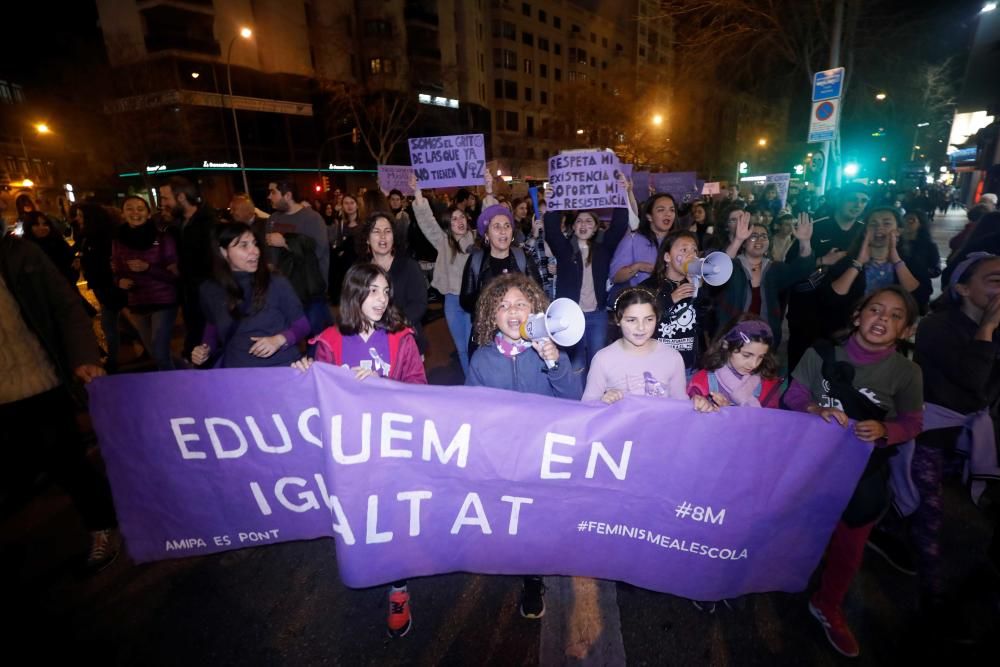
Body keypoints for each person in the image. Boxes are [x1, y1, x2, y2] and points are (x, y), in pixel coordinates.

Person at [783, 286, 923, 658]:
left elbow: (912, 422)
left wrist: (885, 431)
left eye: (895, 316)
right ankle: (778, 577)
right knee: (795, 529)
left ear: (907, 329)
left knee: (850, 546)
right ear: (857, 315)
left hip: (863, 474)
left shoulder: (907, 373)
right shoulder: (821, 353)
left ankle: (828, 604)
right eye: (876, 310)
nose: (883, 319)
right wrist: (814, 409)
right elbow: (793, 396)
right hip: (811, 465)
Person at [293, 263, 425, 637]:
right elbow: (315, 401)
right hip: (350, 453)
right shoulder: (329, 342)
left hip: (393, 448)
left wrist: (384, 385)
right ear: (354, 293)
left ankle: (398, 590)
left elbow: (420, 387)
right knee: (361, 518)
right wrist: (305, 372)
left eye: (385, 291)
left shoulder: (402, 338)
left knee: (395, 518)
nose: (381, 299)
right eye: (372, 291)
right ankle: (365, 565)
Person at [0, 233, 119, 572]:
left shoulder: (18, 253)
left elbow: (65, 305)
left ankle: (102, 524)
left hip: (41, 380)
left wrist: (83, 355)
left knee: (67, 461)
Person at [466, 272, 582, 620]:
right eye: (502, 306)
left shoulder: (548, 352)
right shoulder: (482, 360)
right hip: (502, 458)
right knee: (509, 516)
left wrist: (554, 362)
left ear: (535, 310)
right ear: (491, 315)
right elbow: (470, 412)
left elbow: (572, 399)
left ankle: (533, 578)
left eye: (520, 304)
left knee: (535, 519)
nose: (512, 311)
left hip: (540, 456)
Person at [909, 253, 1000, 628]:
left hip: (973, 433)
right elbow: (973, 380)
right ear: (962, 288)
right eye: (993, 280)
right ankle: (934, 596)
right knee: (930, 513)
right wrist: (988, 329)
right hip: (931, 430)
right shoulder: (936, 327)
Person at [191, 223, 308, 369]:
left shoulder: (276, 282)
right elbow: (213, 326)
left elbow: (302, 325)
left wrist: (279, 340)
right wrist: (205, 349)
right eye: (244, 245)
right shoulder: (210, 290)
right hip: (236, 371)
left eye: (255, 244)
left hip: (280, 367)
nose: (255, 251)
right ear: (223, 251)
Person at [785, 184, 869, 372]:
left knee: (834, 370)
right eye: (853, 199)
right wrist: (821, 260)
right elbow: (790, 267)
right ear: (840, 199)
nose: (858, 204)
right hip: (808, 312)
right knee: (800, 366)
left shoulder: (865, 232)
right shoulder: (816, 226)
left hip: (845, 314)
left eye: (863, 201)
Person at [544, 201, 630, 374]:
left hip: (597, 316)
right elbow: (552, 230)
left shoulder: (603, 249)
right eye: (579, 221)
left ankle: (594, 399)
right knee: (576, 366)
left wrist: (621, 196)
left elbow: (619, 226)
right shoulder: (565, 250)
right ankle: (576, 400)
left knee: (597, 364)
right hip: (570, 317)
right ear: (573, 226)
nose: (583, 225)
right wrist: (553, 203)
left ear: (596, 227)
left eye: (589, 221)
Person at [582, 287, 702, 407]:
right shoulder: (603, 359)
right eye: (632, 320)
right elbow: (587, 406)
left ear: (657, 318)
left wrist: (696, 404)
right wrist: (603, 401)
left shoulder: (672, 357)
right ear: (618, 320)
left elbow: (681, 404)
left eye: (649, 319)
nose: (641, 327)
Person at [714, 212, 814, 349]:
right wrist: (737, 240)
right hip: (731, 338)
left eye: (764, 236)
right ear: (744, 243)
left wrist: (805, 241)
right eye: (753, 237)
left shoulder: (774, 269)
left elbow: (802, 270)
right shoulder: (734, 266)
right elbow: (718, 270)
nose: (759, 240)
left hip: (764, 340)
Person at [411, 177, 476, 377]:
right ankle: (471, 385)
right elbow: (427, 223)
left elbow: (492, 221)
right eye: (454, 219)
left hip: (474, 301)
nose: (459, 222)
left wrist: (489, 191)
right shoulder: (443, 243)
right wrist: (418, 193)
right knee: (462, 348)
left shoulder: (478, 240)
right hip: (452, 302)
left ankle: (480, 384)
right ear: (448, 224)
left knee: (475, 346)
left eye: (461, 217)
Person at [460, 204, 541, 356]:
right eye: (496, 226)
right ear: (486, 234)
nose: (503, 231)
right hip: (485, 336)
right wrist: (492, 299)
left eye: (507, 226)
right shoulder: (476, 260)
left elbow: (538, 295)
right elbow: (465, 301)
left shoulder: (523, 257)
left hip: (521, 333)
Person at [111, 196, 179, 370]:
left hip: (163, 301)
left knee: (159, 351)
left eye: (140, 209)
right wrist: (120, 281)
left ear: (148, 214)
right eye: (130, 208)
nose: (135, 213)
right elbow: (117, 271)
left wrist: (148, 268)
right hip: (138, 302)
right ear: (123, 213)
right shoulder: (118, 240)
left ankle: (177, 390)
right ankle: (187, 372)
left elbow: (175, 275)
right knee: (156, 353)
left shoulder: (163, 238)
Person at [825, 207, 921, 331]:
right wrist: (858, 263)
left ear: (898, 231)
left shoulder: (911, 261)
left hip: (892, 332)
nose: (879, 228)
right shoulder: (847, 260)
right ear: (865, 231)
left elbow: (919, 298)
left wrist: (896, 260)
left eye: (886, 223)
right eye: (873, 224)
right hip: (850, 331)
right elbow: (831, 299)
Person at [159, 177, 218, 359]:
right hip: (188, 295)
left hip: (206, 295)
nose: (163, 203)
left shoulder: (209, 224)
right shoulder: (176, 225)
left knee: (208, 341)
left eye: (165, 198)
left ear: (181, 197)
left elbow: (215, 263)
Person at [640, 231, 713, 373]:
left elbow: (706, 324)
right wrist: (670, 299)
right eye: (684, 250)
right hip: (656, 366)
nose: (691, 255)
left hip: (688, 366)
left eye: (694, 250)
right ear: (667, 257)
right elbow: (641, 320)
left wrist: (699, 291)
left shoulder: (697, 285)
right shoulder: (649, 286)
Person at [266, 181, 332, 338]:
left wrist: (285, 243)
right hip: (282, 290)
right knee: (287, 336)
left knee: (316, 337)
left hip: (309, 291)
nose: (269, 196)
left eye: (273, 192)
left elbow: (317, 253)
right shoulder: (272, 220)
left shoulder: (312, 219)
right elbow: (270, 255)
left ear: (287, 195)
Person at [358, 211, 428, 353]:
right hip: (370, 343)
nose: (383, 236)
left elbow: (419, 305)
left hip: (405, 341)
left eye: (387, 231)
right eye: (376, 231)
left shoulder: (409, 266)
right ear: (367, 238)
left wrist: (389, 326)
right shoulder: (360, 271)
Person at [688, 317, 783, 409]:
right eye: (746, 355)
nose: (754, 364)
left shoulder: (767, 384)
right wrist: (704, 405)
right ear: (726, 345)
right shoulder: (702, 382)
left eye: (761, 357)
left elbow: (771, 420)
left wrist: (730, 409)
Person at [77, 202, 127, 373]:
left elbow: (107, 262)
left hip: (109, 286)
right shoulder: (88, 236)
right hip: (102, 285)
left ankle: (113, 361)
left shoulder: (102, 237)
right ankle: (123, 354)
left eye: (81, 215)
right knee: (118, 322)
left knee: (109, 324)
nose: (78, 219)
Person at [609, 192, 677, 298]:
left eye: (672, 210)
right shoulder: (633, 239)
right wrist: (638, 266)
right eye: (661, 210)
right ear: (649, 217)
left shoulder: (679, 240)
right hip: (643, 302)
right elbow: (615, 276)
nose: (668, 214)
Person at [898, 209, 941, 313]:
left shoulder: (929, 246)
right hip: (898, 288)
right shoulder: (896, 243)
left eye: (911, 220)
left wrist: (921, 271)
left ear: (920, 224)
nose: (906, 223)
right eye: (904, 219)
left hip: (919, 289)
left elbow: (936, 270)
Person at [23, 211, 77, 286]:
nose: (42, 227)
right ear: (29, 227)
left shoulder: (57, 240)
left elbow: (71, 259)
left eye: (45, 224)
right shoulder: (27, 248)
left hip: (68, 286)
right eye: (36, 224)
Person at [329, 193, 363, 302]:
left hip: (361, 264)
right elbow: (338, 244)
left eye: (352, 203)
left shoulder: (364, 223)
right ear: (342, 206)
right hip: (347, 266)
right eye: (346, 203)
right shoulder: (342, 224)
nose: (349, 206)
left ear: (357, 205)